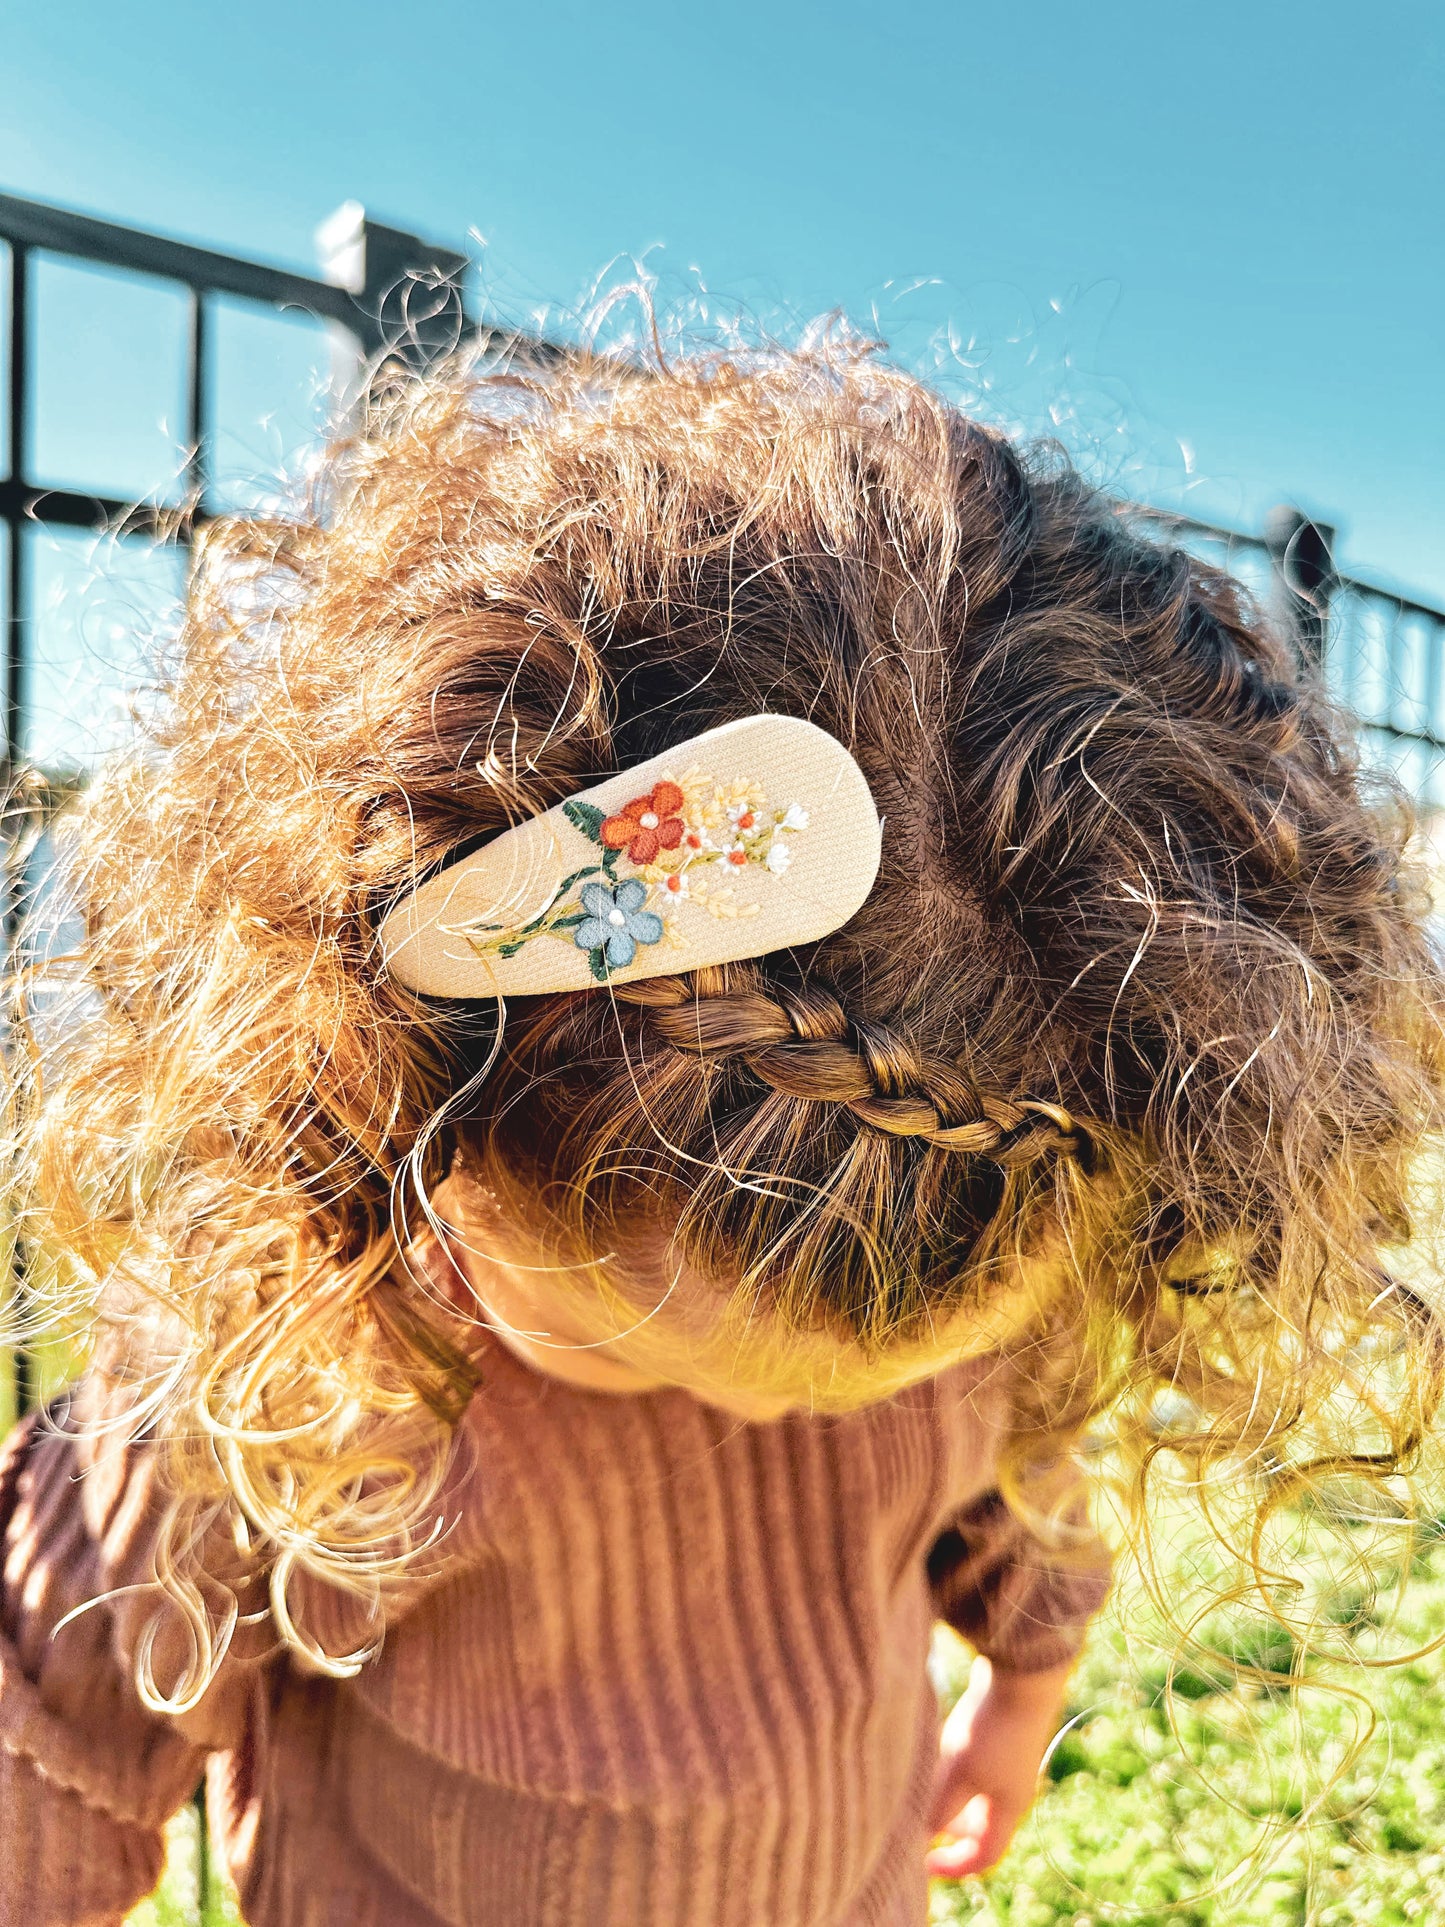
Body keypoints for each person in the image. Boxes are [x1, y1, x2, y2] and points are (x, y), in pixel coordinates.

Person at [1, 338, 1440, 1927]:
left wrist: (1024, 1694)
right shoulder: (290, 1350)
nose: (747, 1425)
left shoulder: (966, 1190)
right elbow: (45, 1744)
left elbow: (1018, 1485)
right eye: (630, 1350)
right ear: (435, 1117)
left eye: (846, 1405)